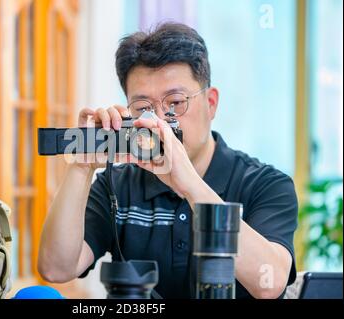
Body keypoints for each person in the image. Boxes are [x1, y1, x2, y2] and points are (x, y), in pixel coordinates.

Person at [38, 22, 298, 299]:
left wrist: (189, 185)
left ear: (211, 104)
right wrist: (82, 166)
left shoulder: (265, 183)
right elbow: (55, 269)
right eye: (143, 108)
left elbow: (268, 283)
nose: (160, 120)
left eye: (175, 103)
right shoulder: (117, 183)